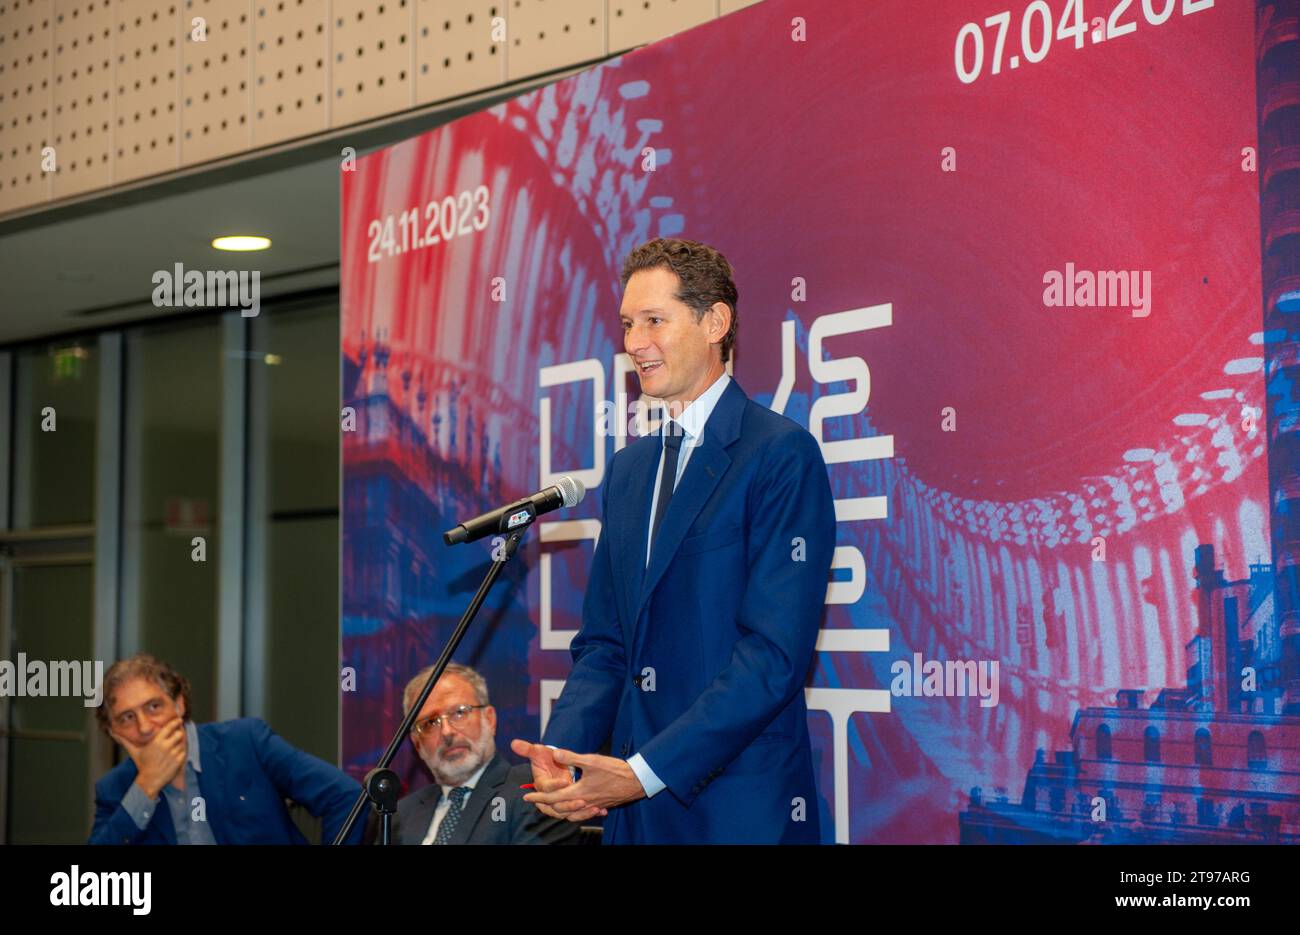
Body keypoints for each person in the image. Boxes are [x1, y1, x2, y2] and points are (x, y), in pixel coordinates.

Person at [512, 237, 836, 843]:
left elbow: (772, 657)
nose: (634, 342)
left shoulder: (779, 454)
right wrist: (564, 755)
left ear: (715, 322)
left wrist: (642, 773)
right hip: (634, 817)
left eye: (654, 320)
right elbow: (606, 644)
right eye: (628, 324)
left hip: (738, 812)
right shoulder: (630, 471)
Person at [89, 653, 364, 844]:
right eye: (127, 718)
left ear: (179, 704)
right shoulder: (116, 789)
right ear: (114, 733)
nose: (145, 727)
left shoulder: (246, 742)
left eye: (154, 707)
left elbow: (346, 797)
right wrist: (146, 786)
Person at [375, 663, 579, 844]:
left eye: (460, 712)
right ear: (417, 743)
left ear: (489, 719)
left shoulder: (536, 792)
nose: (447, 732)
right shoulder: (399, 815)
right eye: (430, 723)